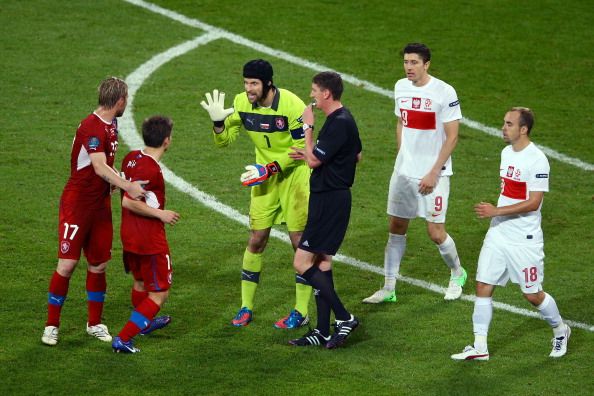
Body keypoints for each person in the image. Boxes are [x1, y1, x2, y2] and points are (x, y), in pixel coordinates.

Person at [200, 59, 312, 328]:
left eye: (254, 83)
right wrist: (218, 124)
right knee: (257, 239)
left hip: (294, 178)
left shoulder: (292, 106)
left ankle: (301, 310)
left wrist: (270, 168)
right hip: (264, 180)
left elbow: (302, 148)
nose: (249, 89)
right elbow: (224, 141)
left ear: (268, 83)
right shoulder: (241, 103)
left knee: (300, 244)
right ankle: (246, 307)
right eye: (246, 83)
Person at [452, 107, 570, 361]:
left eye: (509, 124)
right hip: (499, 234)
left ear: (523, 129)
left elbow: (534, 202)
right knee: (483, 285)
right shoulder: (506, 153)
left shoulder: (537, 160)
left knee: (532, 294)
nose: (503, 128)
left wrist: (496, 210)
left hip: (524, 240)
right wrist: (498, 215)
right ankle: (480, 347)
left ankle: (560, 330)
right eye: (504, 123)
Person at [42, 77, 147, 346]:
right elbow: (98, 166)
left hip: (100, 204)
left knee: (98, 264)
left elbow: (101, 167)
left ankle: (95, 323)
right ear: (120, 101)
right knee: (67, 264)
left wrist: (116, 180)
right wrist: (126, 185)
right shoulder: (93, 127)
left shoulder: (111, 123)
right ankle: (51, 325)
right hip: (77, 204)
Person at [363, 43, 467, 304]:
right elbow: (401, 122)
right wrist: (402, 155)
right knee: (396, 226)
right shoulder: (400, 87)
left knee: (435, 232)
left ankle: (457, 273)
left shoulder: (444, 92)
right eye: (406, 62)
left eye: (414, 63)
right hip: (404, 172)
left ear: (426, 64)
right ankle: (388, 288)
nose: (409, 67)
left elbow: (453, 137)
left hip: (434, 174)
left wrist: (433, 172)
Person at [288, 71, 362, 349]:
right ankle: (321, 331)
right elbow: (356, 154)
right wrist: (311, 153)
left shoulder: (337, 123)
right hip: (332, 197)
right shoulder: (345, 119)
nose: (312, 96)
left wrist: (308, 130)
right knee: (322, 262)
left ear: (326, 94)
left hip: (329, 200)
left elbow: (314, 163)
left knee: (301, 262)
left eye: (315, 91)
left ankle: (344, 317)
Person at [112, 115, 180, 353]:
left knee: (140, 282)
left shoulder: (131, 158)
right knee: (159, 293)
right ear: (167, 141)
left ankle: (145, 322)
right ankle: (124, 337)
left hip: (129, 235)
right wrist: (161, 214)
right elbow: (129, 202)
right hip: (148, 239)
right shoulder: (150, 168)